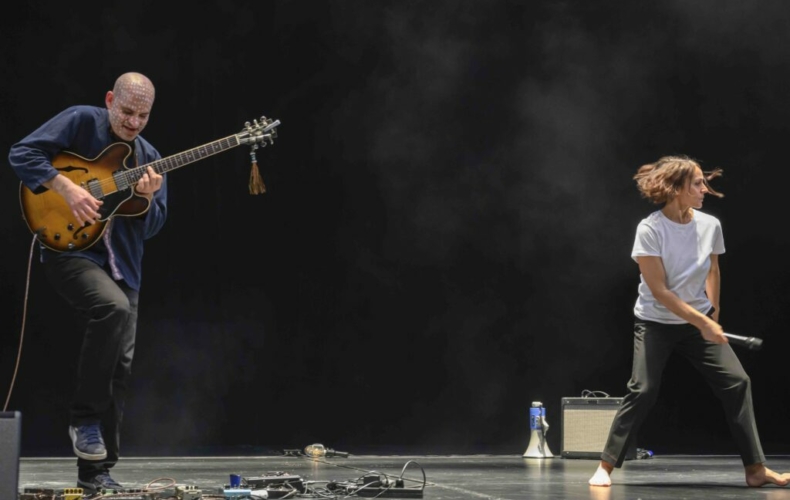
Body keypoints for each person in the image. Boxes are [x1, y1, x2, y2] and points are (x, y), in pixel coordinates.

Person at [588, 155, 790, 488]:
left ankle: (755, 470)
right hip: (654, 323)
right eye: (697, 183)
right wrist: (704, 322)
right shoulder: (650, 229)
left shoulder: (710, 225)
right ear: (677, 188)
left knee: (738, 382)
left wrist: (714, 313)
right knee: (643, 389)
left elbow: (713, 269)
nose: (704, 189)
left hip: (697, 323)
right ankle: (606, 466)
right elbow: (661, 292)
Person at [9, 72, 166, 494]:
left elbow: (154, 226)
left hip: (123, 267)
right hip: (70, 251)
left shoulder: (149, 157)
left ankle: (96, 473)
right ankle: (83, 419)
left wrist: (150, 200)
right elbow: (21, 154)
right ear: (110, 99)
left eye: (143, 115)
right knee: (110, 308)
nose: (133, 122)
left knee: (121, 365)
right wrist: (66, 188)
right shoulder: (80, 121)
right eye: (127, 111)